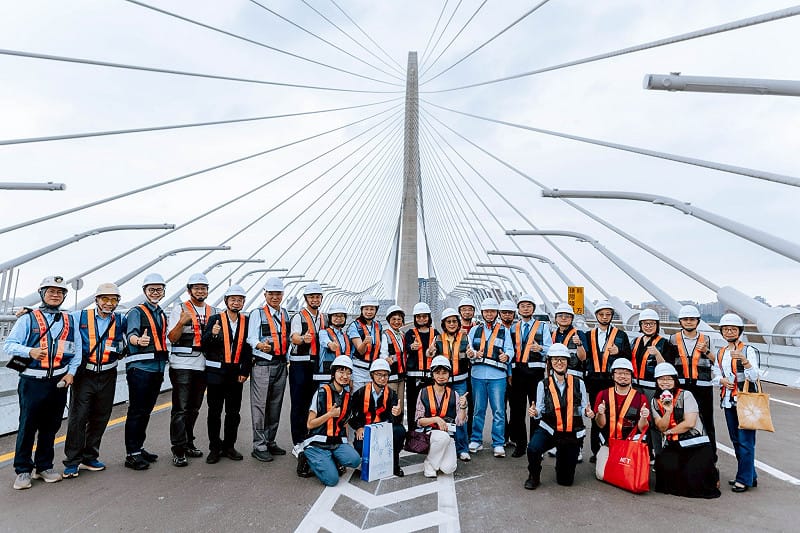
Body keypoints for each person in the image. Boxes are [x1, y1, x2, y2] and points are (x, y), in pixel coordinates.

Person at [5, 276, 81, 489]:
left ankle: (44, 466)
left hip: (58, 381)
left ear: (64, 296)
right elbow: (9, 345)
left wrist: (71, 373)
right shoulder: (27, 319)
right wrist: (29, 351)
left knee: (51, 426)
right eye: (51, 291)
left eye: (60, 292)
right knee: (27, 426)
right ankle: (22, 470)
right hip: (32, 381)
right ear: (42, 294)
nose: (55, 295)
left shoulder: (70, 320)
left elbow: (78, 351)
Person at [63, 283, 126, 479]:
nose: (109, 303)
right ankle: (72, 461)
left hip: (108, 374)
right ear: (96, 300)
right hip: (85, 375)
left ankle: (90, 456)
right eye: (105, 299)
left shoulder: (121, 320)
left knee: (101, 416)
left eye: (114, 300)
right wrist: (28, 311)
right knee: (78, 417)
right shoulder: (79, 317)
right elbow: (56, 318)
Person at [525, 344, 592, 490]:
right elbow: (540, 409)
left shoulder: (579, 383)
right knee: (533, 448)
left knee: (565, 481)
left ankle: (563, 461)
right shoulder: (542, 384)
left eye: (562, 359)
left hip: (570, 431)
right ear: (550, 362)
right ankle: (533, 475)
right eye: (555, 359)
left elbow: (583, 408)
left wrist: (587, 413)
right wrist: (535, 413)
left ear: (568, 362)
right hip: (549, 429)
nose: (559, 363)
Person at [651, 363, 720, 499]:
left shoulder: (686, 395)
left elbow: (689, 423)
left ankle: (713, 473)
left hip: (694, 442)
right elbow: (661, 427)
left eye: (669, 379)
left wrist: (670, 432)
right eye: (661, 379)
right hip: (674, 444)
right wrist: (668, 411)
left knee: (694, 480)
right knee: (664, 477)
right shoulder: (655, 401)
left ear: (675, 380)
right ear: (656, 381)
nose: (665, 382)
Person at [166, 273, 214, 467]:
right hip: (182, 365)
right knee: (180, 409)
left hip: (203, 365)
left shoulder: (213, 311)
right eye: (196, 288)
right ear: (189, 290)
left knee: (194, 408)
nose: (200, 291)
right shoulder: (179, 309)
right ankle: (178, 449)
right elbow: (172, 338)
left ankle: (188, 442)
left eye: (203, 288)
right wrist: (181, 322)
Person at [202, 284, 252, 464]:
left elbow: (248, 349)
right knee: (214, 412)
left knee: (233, 412)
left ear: (243, 302)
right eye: (233, 299)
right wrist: (213, 335)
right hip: (216, 372)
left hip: (235, 373)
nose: (236, 303)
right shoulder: (215, 319)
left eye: (240, 300)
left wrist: (245, 371)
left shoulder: (246, 322)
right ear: (226, 301)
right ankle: (214, 447)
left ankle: (229, 446)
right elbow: (204, 345)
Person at [124, 273, 169, 471]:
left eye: (159, 290)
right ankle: (131, 454)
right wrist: (138, 341)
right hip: (140, 368)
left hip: (157, 368)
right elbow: (131, 334)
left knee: (146, 411)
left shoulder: (161, 313)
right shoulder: (136, 311)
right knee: (136, 410)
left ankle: (139, 447)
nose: (155, 293)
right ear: (144, 291)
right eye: (151, 289)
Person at [712, 313, 761, 493]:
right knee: (735, 440)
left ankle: (743, 479)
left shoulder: (748, 350)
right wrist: (721, 380)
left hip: (745, 401)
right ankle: (750, 475)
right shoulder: (721, 352)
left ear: (739, 331)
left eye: (733, 329)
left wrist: (744, 361)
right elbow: (716, 374)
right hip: (728, 401)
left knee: (746, 441)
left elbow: (755, 376)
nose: (729, 332)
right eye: (726, 329)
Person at [299, 355, 361, 486]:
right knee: (332, 480)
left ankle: (332, 458)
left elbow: (344, 424)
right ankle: (306, 457)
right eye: (341, 371)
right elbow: (309, 424)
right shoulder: (321, 392)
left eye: (348, 373)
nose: (345, 376)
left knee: (355, 460)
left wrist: (346, 447)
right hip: (318, 443)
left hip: (336, 442)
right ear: (333, 373)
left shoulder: (347, 396)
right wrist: (329, 414)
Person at [246, 277, 291, 462]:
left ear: (282, 295)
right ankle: (259, 445)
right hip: (263, 365)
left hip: (281, 364)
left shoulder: (285, 314)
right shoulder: (258, 313)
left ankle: (270, 441)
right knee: (260, 407)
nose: (274, 297)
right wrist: (259, 345)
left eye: (278, 293)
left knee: (275, 405)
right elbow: (250, 338)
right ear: (265, 294)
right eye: (271, 293)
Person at [585, 301, 632, 462]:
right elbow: (585, 358)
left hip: (612, 381)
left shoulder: (620, 335)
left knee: (615, 414)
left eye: (608, 314)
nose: (605, 317)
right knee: (596, 414)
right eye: (601, 314)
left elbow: (629, 356)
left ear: (612, 316)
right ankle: (596, 450)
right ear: (596, 315)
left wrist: (619, 352)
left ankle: (613, 446)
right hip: (594, 380)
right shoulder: (588, 334)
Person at [467, 298, 514, 458]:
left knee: (499, 411)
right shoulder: (474, 330)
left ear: (496, 313)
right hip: (478, 375)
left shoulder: (504, 330)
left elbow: (510, 349)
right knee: (478, 410)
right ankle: (476, 440)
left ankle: (498, 443)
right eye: (486, 311)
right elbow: (469, 349)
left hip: (497, 376)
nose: (489, 314)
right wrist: (473, 354)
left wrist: (506, 356)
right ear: (482, 313)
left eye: (492, 311)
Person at [670, 304, 717, 458]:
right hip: (682, 386)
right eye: (685, 319)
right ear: (680, 321)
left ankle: (711, 456)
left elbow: (717, 361)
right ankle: (682, 453)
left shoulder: (707, 339)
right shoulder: (673, 339)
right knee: (680, 420)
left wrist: (706, 351)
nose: (689, 322)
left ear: (698, 321)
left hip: (703, 387)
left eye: (692, 319)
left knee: (706, 421)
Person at [508, 295, 552, 458]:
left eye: (529, 306)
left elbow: (550, 349)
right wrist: (509, 373)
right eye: (522, 306)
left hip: (536, 374)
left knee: (537, 410)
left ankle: (535, 445)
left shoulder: (542, 327)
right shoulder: (513, 328)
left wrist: (540, 348)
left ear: (533, 309)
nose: (525, 308)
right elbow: (509, 350)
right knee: (517, 411)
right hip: (518, 373)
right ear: (518, 310)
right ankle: (520, 445)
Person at [349, 359, 406, 477]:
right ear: (372, 375)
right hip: (367, 430)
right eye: (378, 374)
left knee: (400, 431)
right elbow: (350, 414)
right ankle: (372, 462)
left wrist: (397, 414)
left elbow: (396, 420)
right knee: (360, 446)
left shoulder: (392, 394)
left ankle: (394, 464)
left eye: (385, 375)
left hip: (384, 430)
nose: (382, 378)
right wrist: (358, 427)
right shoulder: (360, 393)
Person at [427, 308, 471, 461]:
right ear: (444, 324)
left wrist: (472, 354)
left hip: (460, 382)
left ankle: (463, 448)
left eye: (454, 321)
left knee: (461, 414)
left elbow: (471, 353)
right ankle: (445, 446)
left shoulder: (465, 337)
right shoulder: (438, 339)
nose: (452, 324)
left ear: (458, 323)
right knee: (442, 414)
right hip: (443, 383)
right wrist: (429, 352)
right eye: (448, 321)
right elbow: (430, 354)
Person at [414, 356, 468, 478]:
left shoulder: (454, 394)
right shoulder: (423, 392)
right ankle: (429, 464)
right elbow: (419, 421)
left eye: (444, 373)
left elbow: (460, 421)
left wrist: (464, 407)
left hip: (449, 435)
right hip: (430, 434)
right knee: (442, 438)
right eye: (437, 373)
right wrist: (436, 419)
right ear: (432, 375)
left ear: (449, 375)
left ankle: (435, 457)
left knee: (449, 468)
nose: (441, 376)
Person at [630, 308, 674, 456]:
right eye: (645, 324)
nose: (648, 326)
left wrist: (657, 354)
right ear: (641, 325)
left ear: (657, 325)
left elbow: (666, 367)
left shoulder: (663, 343)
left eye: (651, 323)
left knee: (654, 421)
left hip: (652, 388)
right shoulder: (635, 342)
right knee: (638, 419)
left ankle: (658, 453)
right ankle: (642, 452)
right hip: (636, 386)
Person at [289, 282, 326, 448]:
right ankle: (298, 440)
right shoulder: (299, 316)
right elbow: (294, 337)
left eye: (317, 297)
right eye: (312, 297)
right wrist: (303, 339)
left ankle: (310, 436)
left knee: (314, 403)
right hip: (300, 365)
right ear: (306, 299)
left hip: (316, 365)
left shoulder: (323, 317)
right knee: (299, 404)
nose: (315, 299)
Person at [551, 302, 588, 462]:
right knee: (557, 411)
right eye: (560, 315)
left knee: (575, 413)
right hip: (556, 377)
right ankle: (558, 444)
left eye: (567, 316)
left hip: (574, 377)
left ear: (572, 318)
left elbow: (583, 357)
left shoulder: (579, 333)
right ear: (556, 318)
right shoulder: (553, 334)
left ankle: (577, 447)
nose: (563, 318)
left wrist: (579, 344)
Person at [593, 358, 649, 453]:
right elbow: (600, 424)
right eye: (619, 373)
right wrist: (600, 413)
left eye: (627, 373)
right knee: (602, 468)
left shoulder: (640, 398)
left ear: (631, 376)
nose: (623, 376)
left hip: (631, 446)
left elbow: (642, 428)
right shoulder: (603, 395)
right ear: (613, 375)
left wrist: (644, 417)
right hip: (608, 445)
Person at [404, 302, 437, 432]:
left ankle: (429, 432)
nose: (422, 319)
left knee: (430, 405)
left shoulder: (435, 333)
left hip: (430, 377)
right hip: (413, 377)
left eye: (424, 316)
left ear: (429, 317)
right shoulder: (409, 333)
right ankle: (413, 433)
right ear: (415, 318)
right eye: (419, 317)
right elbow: (405, 348)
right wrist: (411, 347)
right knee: (413, 406)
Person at [348, 296, 383, 392]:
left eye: (372, 309)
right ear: (361, 310)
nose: (369, 312)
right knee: (357, 399)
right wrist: (364, 342)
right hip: (358, 370)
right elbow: (360, 350)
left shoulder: (378, 325)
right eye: (366, 309)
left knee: (371, 400)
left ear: (376, 310)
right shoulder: (354, 326)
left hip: (373, 370)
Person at [379, 304, 406, 412]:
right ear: (388, 320)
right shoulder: (385, 335)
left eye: (399, 319)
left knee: (400, 404)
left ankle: (398, 426)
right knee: (391, 404)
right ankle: (390, 427)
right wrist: (386, 359)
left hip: (401, 375)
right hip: (391, 376)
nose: (396, 322)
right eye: (393, 319)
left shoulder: (402, 334)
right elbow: (382, 353)